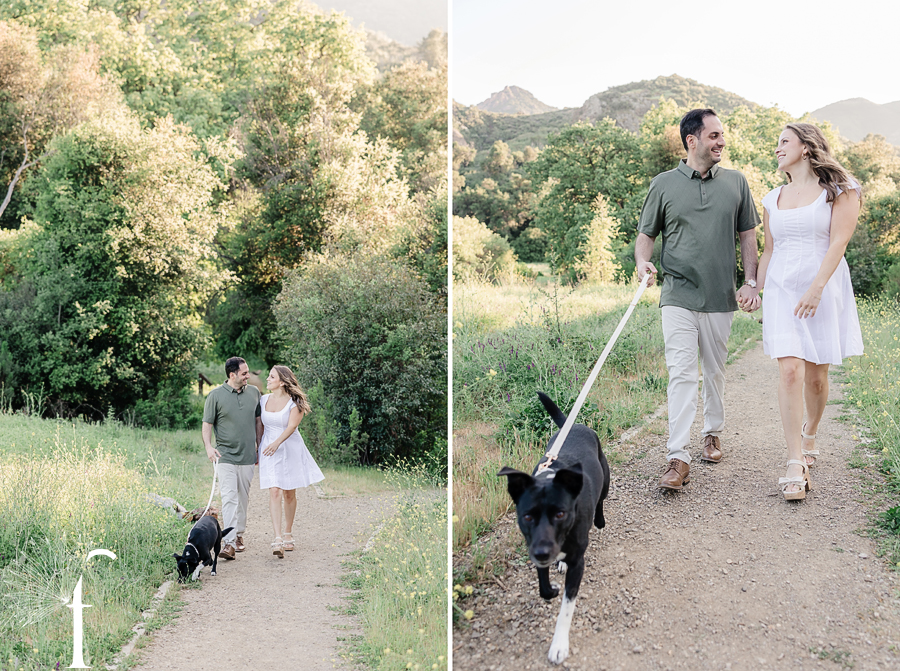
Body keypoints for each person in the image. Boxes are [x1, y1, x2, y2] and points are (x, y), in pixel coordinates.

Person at [635, 108, 761, 491]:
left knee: (715, 371)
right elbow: (646, 237)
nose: (721, 142)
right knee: (683, 373)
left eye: (722, 136)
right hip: (676, 294)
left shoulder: (737, 183)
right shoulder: (663, 184)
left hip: (721, 297)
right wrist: (643, 263)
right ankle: (677, 457)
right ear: (692, 140)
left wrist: (751, 281)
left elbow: (749, 237)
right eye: (714, 136)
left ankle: (713, 432)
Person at [757, 122, 863, 501]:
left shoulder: (840, 189)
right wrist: (755, 286)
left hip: (823, 288)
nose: (777, 148)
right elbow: (769, 250)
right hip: (783, 292)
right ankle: (794, 461)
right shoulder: (771, 199)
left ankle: (811, 432)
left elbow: (839, 242)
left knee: (816, 378)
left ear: (806, 147)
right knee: (789, 371)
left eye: (784, 141)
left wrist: (817, 288)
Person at [258, 365, 324, 557]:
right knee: (275, 490)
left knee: (288, 493)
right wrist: (259, 446)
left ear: (282, 381)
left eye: (271, 377)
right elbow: (260, 424)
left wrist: (277, 443)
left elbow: (291, 427)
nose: (268, 379)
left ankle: (288, 532)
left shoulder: (295, 403)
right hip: (268, 449)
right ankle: (277, 538)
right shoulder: (263, 400)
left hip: (288, 448)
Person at [202, 356, 262, 559]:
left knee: (242, 499)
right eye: (244, 373)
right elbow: (207, 424)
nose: (248, 376)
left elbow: (258, 422)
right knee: (229, 498)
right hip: (225, 456)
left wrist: (259, 447)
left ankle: (239, 535)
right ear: (232, 374)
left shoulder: (254, 393)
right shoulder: (215, 396)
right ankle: (228, 542)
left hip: (247, 457)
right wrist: (209, 446)